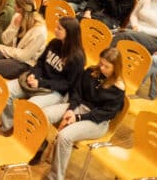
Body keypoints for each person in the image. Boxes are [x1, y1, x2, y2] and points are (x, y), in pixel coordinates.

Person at [41, 48, 126, 180]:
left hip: (97, 121)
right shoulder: (91, 72)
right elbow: (77, 92)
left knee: (65, 136)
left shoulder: (118, 88)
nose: (102, 67)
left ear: (116, 68)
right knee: (44, 114)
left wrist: (78, 117)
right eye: (101, 63)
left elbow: (105, 114)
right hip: (79, 107)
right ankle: (38, 147)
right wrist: (71, 109)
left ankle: (55, 177)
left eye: (106, 66)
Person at [0, 17, 85, 131]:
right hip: (37, 80)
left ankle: (21, 133)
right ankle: (8, 125)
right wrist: (33, 74)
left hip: (54, 91)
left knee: (28, 107)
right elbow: (40, 62)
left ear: (69, 33)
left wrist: (41, 83)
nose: (55, 30)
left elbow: (67, 84)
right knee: (5, 91)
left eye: (59, 29)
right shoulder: (54, 43)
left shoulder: (77, 58)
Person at [0, 0, 47, 78]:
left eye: (15, 5)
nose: (13, 7)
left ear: (21, 8)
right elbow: (5, 39)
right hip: (11, 53)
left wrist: (4, 48)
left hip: (25, 63)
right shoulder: (17, 16)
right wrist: (15, 27)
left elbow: (23, 56)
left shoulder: (39, 32)